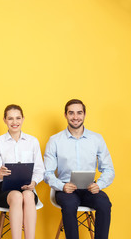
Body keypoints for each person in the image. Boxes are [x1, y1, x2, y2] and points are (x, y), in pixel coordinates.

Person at [44, 99, 115, 239]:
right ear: (65, 115)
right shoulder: (55, 140)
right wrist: (62, 186)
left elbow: (109, 169)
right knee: (69, 205)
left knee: (104, 204)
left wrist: (99, 185)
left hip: (90, 188)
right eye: (71, 113)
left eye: (79, 113)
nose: (75, 117)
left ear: (84, 114)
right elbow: (47, 173)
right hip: (66, 189)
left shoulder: (97, 139)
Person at [0, 104, 45, 239]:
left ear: (23, 119)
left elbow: (39, 169)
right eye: (10, 119)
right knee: (17, 196)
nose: (15, 122)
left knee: (28, 195)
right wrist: (0, 174)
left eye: (18, 118)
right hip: (3, 190)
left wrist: (33, 182)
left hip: (27, 187)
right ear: (4, 120)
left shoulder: (32, 141)